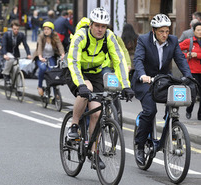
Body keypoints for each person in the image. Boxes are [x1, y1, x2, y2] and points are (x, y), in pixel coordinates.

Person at [66, 7, 134, 169]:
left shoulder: (109, 37)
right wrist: (81, 84)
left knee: (96, 112)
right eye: (97, 25)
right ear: (91, 25)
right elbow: (73, 61)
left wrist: (126, 86)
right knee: (86, 90)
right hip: (77, 72)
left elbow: (119, 61)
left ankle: (93, 154)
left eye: (103, 26)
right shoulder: (81, 36)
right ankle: (74, 125)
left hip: (96, 73)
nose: (100, 29)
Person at [132, 14, 192, 166]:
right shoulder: (143, 40)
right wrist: (142, 76)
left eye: (167, 31)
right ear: (153, 30)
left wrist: (189, 77)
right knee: (150, 111)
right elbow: (138, 60)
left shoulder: (172, 41)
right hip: (145, 81)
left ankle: (167, 135)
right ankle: (139, 146)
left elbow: (181, 60)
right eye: (161, 32)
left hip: (163, 80)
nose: (165, 35)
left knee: (173, 107)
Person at [33, 21, 65, 96]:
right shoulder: (41, 36)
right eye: (44, 29)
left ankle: (55, 93)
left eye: (48, 29)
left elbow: (59, 45)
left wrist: (63, 54)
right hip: (41, 57)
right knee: (43, 68)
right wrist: (40, 57)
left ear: (52, 30)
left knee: (53, 71)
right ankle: (40, 86)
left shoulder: (55, 36)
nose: (46, 31)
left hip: (50, 57)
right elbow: (39, 46)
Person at [179, 22, 201, 120]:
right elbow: (177, 51)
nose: (200, 32)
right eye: (198, 30)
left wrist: (197, 55)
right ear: (194, 31)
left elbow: (198, 55)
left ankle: (200, 115)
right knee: (193, 94)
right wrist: (186, 55)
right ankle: (189, 110)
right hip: (193, 72)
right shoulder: (189, 41)